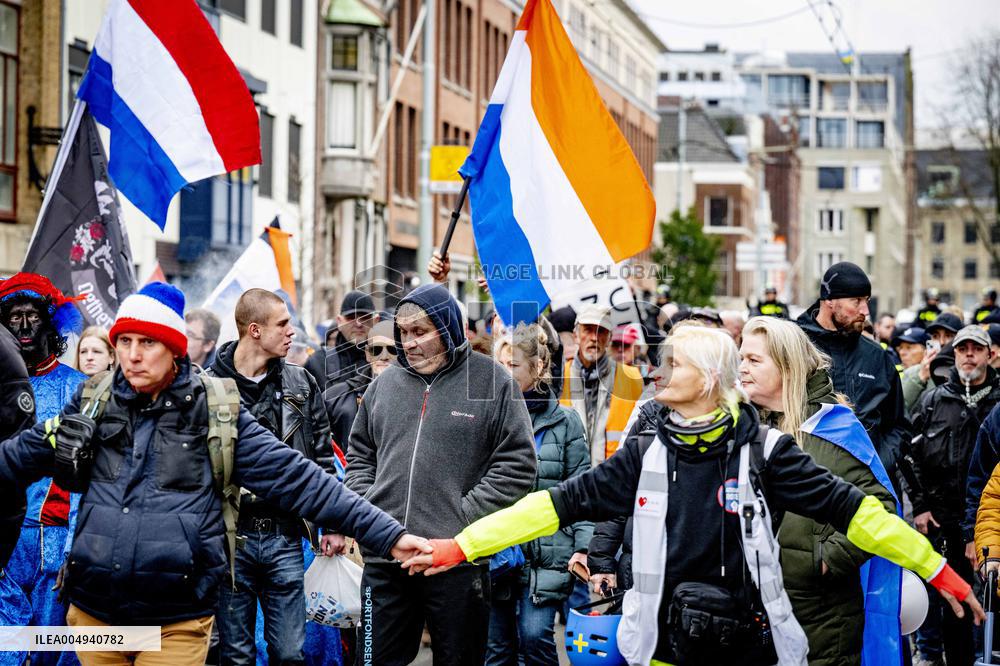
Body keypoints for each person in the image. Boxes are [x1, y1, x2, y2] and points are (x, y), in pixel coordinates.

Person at [403, 324, 983, 666]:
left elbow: (860, 516)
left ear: (706, 379)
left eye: (672, 363)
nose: (658, 371)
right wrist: (461, 546)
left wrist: (939, 571)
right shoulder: (646, 452)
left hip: (747, 649)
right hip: (662, 647)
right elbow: (553, 506)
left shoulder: (769, 452)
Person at [0, 282, 430, 666]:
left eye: (147, 342)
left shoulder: (216, 411)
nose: (132, 354)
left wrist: (389, 535)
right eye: (124, 340)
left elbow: (301, 478)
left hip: (175, 620)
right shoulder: (92, 401)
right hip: (95, 615)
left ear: (174, 349)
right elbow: (17, 458)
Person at [344, 283, 537, 664]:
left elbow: (519, 465)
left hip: (457, 564)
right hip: (387, 560)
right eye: (403, 333)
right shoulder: (384, 385)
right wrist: (374, 514)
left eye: (420, 331)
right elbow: (359, 458)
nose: (409, 343)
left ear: (447, 328)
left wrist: (461, 519)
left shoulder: (492, 382)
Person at [739, 316, 899, 666]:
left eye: (753, 360)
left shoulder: (832, 428)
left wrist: (826, 559)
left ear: (786, 366)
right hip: (762, 619)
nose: (742, 369)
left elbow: (883, 508)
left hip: (823, 626)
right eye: (741, 359)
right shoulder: (749, 427)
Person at [206, 288, 334, 665]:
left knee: (290, 653)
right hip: (229, 541)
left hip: (285, 537)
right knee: (235, 655)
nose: (291, 331)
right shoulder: (207, 386)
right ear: (255, 331)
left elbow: (323, 456)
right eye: (282, 324)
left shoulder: (302, 383)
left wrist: (334, 525)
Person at [486, 323, 593, 666]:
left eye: (513, 365)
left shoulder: (566, 422)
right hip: (496, 553)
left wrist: (583, 547)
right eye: (500, 365)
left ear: (538, 367)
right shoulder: (485, 418)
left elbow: (581, 489)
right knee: (498, 650)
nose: (505, 373)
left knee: (534, 639)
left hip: (547, 555)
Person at [0, 273, 87, 666]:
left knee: (54, 651)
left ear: (49, 323)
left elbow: (89, 477)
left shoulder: (80, 388)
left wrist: (74, 548)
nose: (21, 325)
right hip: (7, 538)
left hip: (58, 538)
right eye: (12, 316)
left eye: (31, 316)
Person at [907, 325, 1000, 666]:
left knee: (986, 606)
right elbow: (909, 456)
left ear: (991, 354)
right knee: (945, 607)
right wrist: (919, 506)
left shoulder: (998, 404)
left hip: (985, 525)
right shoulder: (933, 400)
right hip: (940, 524)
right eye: (963, 349)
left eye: (977, 348)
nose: (969, 355)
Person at [796, 262, 908, 478]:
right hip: (809, 486)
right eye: (856, 301)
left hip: (870, 488)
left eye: (866, 300)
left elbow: (899, 426)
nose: (865, 311)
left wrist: (879, 463)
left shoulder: (877, 356)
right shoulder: (795, 347)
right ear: (829, 300)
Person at [560, 303, 644, 466]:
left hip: (613, 478)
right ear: (576, 335)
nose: (594, 337)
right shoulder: (560, 377)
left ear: (609, 338)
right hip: (569, 481)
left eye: (601, 331)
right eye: (588, 329)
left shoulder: (632, 378)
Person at [324, 320, 396, 452]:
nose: (384, 356)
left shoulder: (418, 395)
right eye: (376, 349)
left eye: (393, 350)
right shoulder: (335, 398)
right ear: (368, 354)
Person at [305, 290, 375, 391]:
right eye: (351, 317)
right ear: (339, 322)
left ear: (375, 321)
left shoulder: (386, 359)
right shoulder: (319, 361)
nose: (359, 324)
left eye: (365, 317)